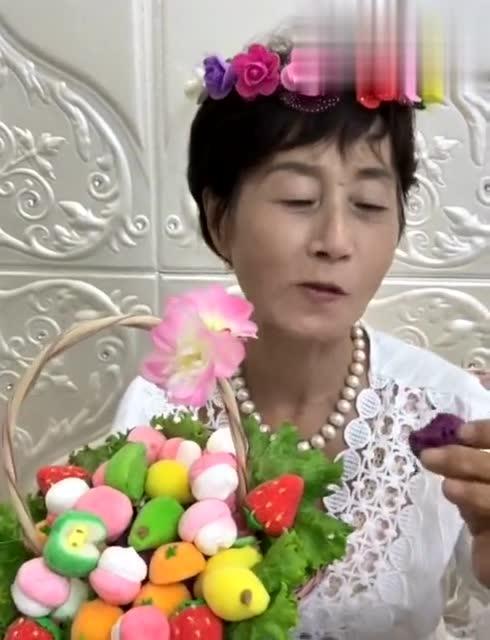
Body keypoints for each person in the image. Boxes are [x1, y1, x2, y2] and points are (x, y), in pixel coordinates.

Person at [113, 21, 490, 640]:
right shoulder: (156, 412)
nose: (335, 241)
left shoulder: (453, 413)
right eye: (296, 198)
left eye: (369, 206)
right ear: (219, 219)